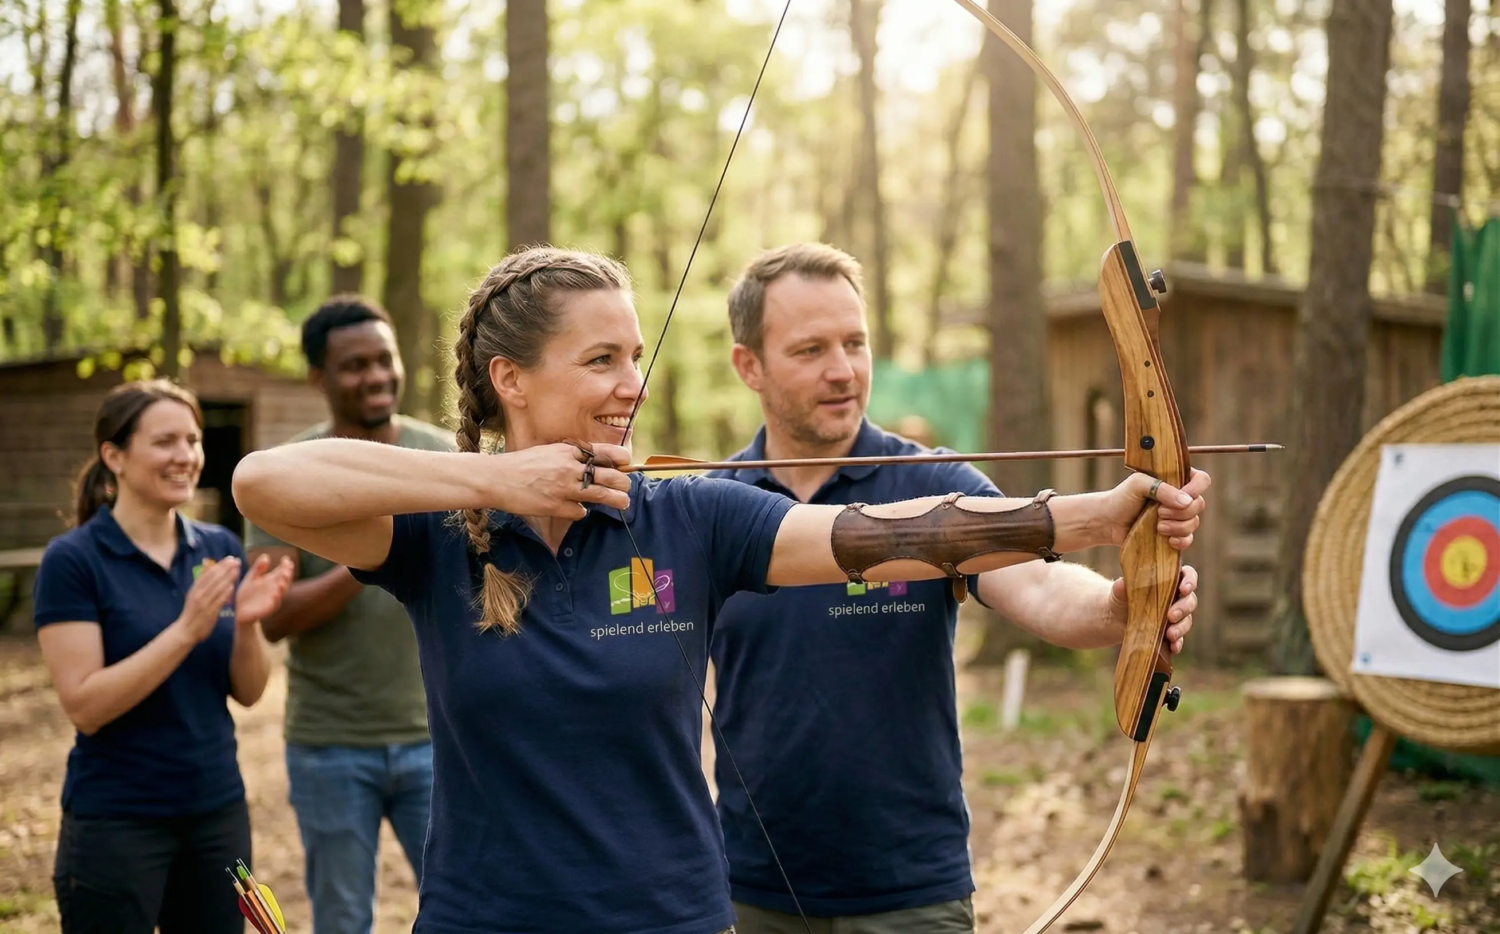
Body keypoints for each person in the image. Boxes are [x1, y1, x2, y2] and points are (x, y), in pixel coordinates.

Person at [229, 246, 1212, 934]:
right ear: (511, 380)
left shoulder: (691, 513)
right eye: (601, 360)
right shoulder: (438, 535)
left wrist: (1089, 518)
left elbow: (876, 535)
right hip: (486, 917)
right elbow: (263, 483)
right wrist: (494, 481)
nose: (632, 383)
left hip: (671, 917)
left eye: (634, 356)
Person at [705, 243, 1202, 933]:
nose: (843, 369)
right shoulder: (713, 508)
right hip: (747, 887)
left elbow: (1037, 582)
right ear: (748, 366)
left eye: (855, 342)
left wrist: (1122, 607)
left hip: (912, 892)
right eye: (811, 349)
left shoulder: (935, 484)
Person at [32, 379, 294, 934]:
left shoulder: (218, 548)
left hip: (217, 813)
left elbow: (249, 693)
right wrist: (185, 630)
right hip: (116, 821)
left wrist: (246, 624)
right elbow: (85, 706)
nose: (186, 455)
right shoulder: (73, 561)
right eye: (165, 441)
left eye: (192, 440)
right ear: (114, 456)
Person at [243, 295, 453, 934]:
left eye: (385, 359)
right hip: (329, 744)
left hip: (440, 737)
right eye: (355, 365)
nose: (376, 375)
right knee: (341, 918)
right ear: (319, 377)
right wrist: (377, 550)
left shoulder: (444, 459)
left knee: (462, 910)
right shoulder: (289, 476)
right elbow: (275, 618)